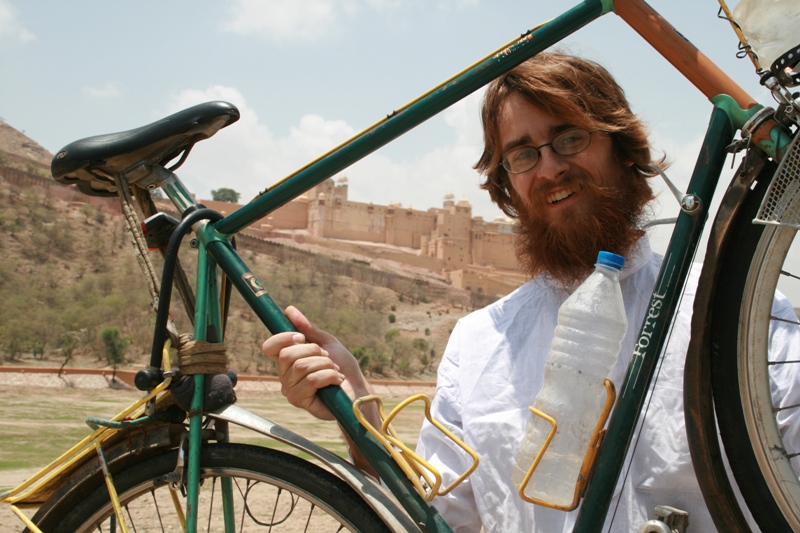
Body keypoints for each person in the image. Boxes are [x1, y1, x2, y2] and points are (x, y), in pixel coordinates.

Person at [262, 53, 799, 532]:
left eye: (570, 138)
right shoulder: (477, 344)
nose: (550, 167)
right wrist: (360, 412)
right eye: (522, 155)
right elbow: (441, 519)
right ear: (507, 186)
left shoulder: (742, 323)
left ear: (622, 146)